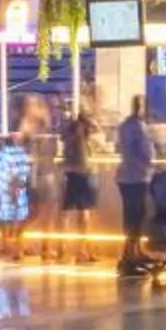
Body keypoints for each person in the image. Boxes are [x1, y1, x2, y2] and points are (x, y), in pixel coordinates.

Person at [114, 97, 156, 275]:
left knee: (132, 218)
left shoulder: (126, 125)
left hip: (127, 176)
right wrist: (152, 163)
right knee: (135, 218)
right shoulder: (138, 127)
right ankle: (128, 257)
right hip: (136, 177)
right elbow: (144, 152)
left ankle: (135, 253)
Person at [57, 107, 98, 259]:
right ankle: (81, 250)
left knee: (67, 214)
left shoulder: (70, 133)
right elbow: (83, 160)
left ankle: (63, 247)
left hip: (73, 175)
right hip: (83, 175)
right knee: (83, 215)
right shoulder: (79, 135)